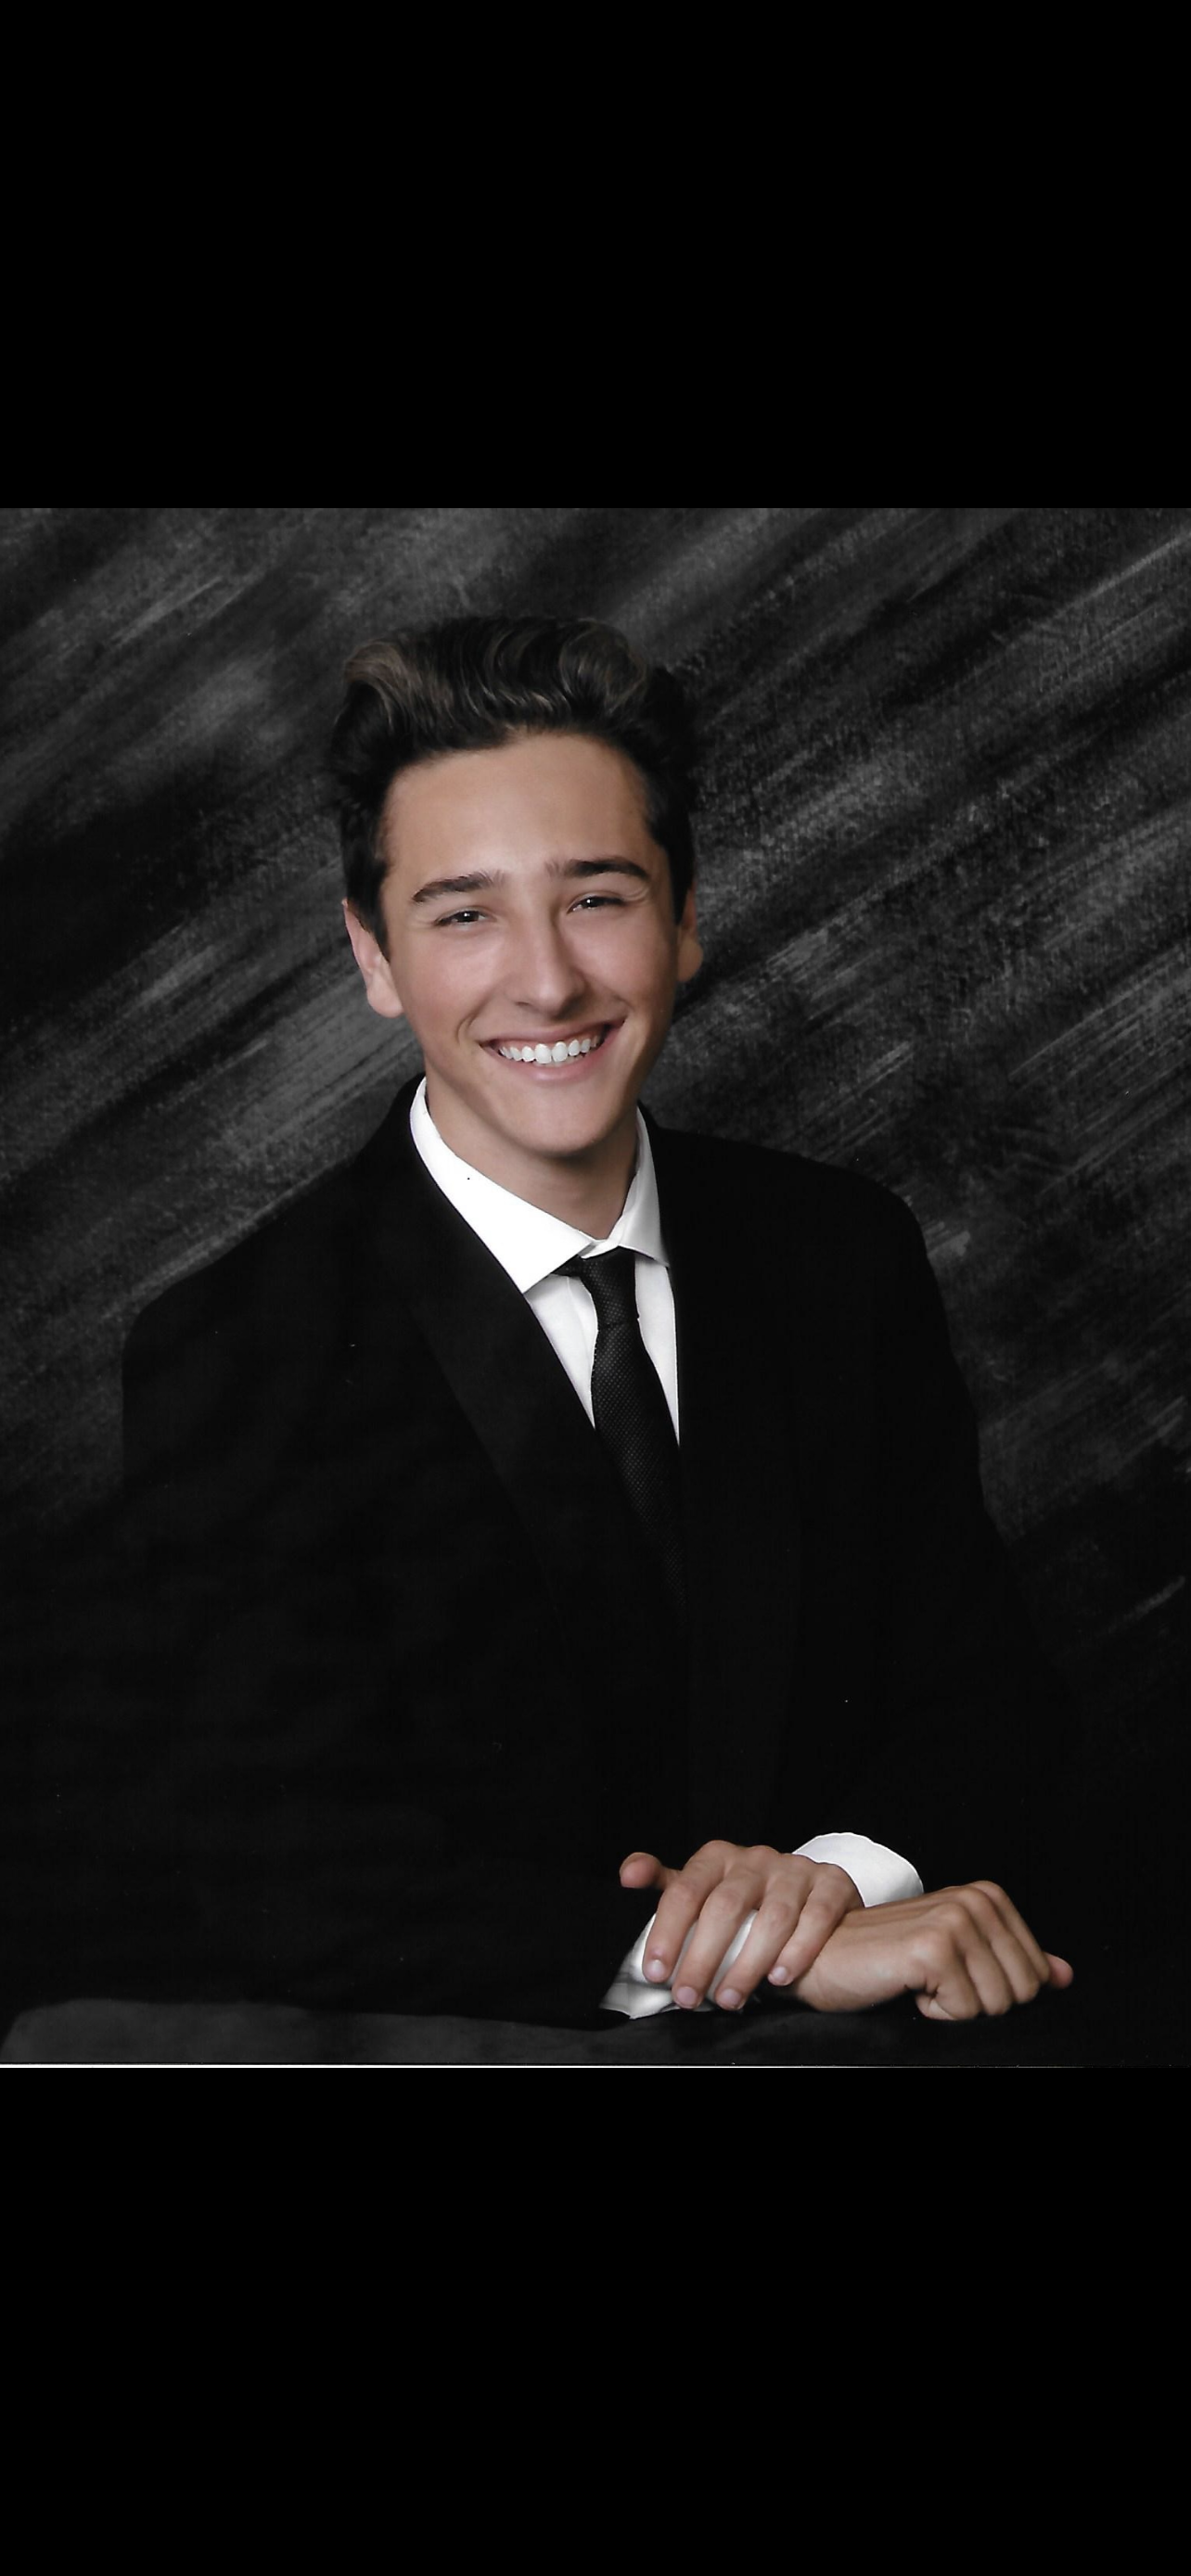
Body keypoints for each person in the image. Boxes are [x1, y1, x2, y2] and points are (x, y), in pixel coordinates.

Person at [102, 617, 1071, 2032]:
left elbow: (989, 1701)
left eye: (598, 896)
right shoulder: (234, 1352)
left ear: (684, 918)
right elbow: (291, 1874)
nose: (548, 980)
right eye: (465, 914)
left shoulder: (840, 1253)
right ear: (374, 955)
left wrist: (836, 1883)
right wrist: (758, 1955)